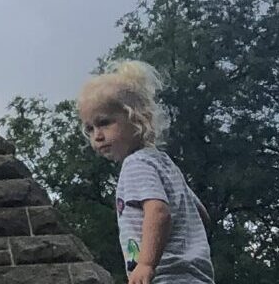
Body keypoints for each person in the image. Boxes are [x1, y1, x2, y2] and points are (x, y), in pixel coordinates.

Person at [78, 60, 213, 284]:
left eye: (104, 123)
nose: (97, 136)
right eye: (90, 129)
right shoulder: (165, 163)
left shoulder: (136, 165)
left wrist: (146, 264)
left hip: (166, 276)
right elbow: (202, 216)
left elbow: (158, 212)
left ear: (137, 119)